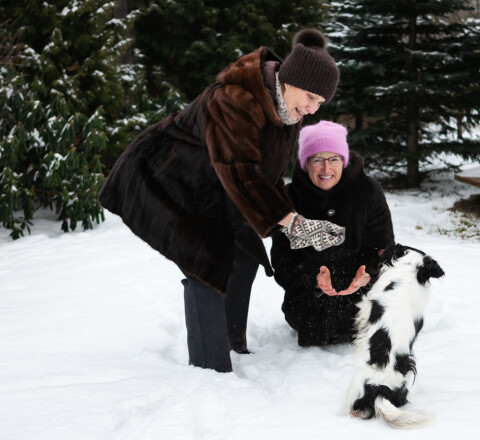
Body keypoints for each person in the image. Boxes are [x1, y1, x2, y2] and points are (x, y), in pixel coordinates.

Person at [98, 29, 346, 373]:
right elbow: (239, 169)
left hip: (216, 186)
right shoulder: (233, 99)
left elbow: (267, 176)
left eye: (320, 102)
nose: (312, 107)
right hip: (167, 179)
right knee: (206, 263)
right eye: (309, 96)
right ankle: (210, 368)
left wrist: (294, 221)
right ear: (288, 81)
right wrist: (292, 223)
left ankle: (233, 344)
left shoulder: (287, 112)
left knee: (245, 253)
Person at [270, 121, 395, 347]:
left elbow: (384, 249)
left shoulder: (368, 192)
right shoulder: (289, 198)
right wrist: (313, 281)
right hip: (308, 307)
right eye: (317, 159)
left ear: (344, 161)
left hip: (362, 300)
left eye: (334, 159)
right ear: (305, 163)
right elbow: (281, 261)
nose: (326, 169)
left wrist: (367, 276)